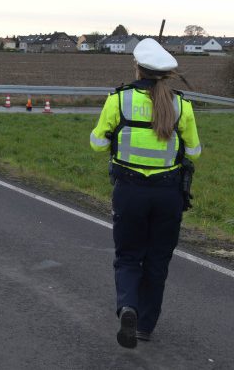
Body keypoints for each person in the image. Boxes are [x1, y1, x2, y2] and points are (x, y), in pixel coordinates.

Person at [89, 38, 202, 349]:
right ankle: (146, 326)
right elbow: (194, 151)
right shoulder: (182, 105)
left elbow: (97, 144)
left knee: (128, 256)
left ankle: (128, 308)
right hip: (168, 195)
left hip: (129, 190)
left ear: (137, 67)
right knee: (157, 260)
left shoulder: (119, 100)